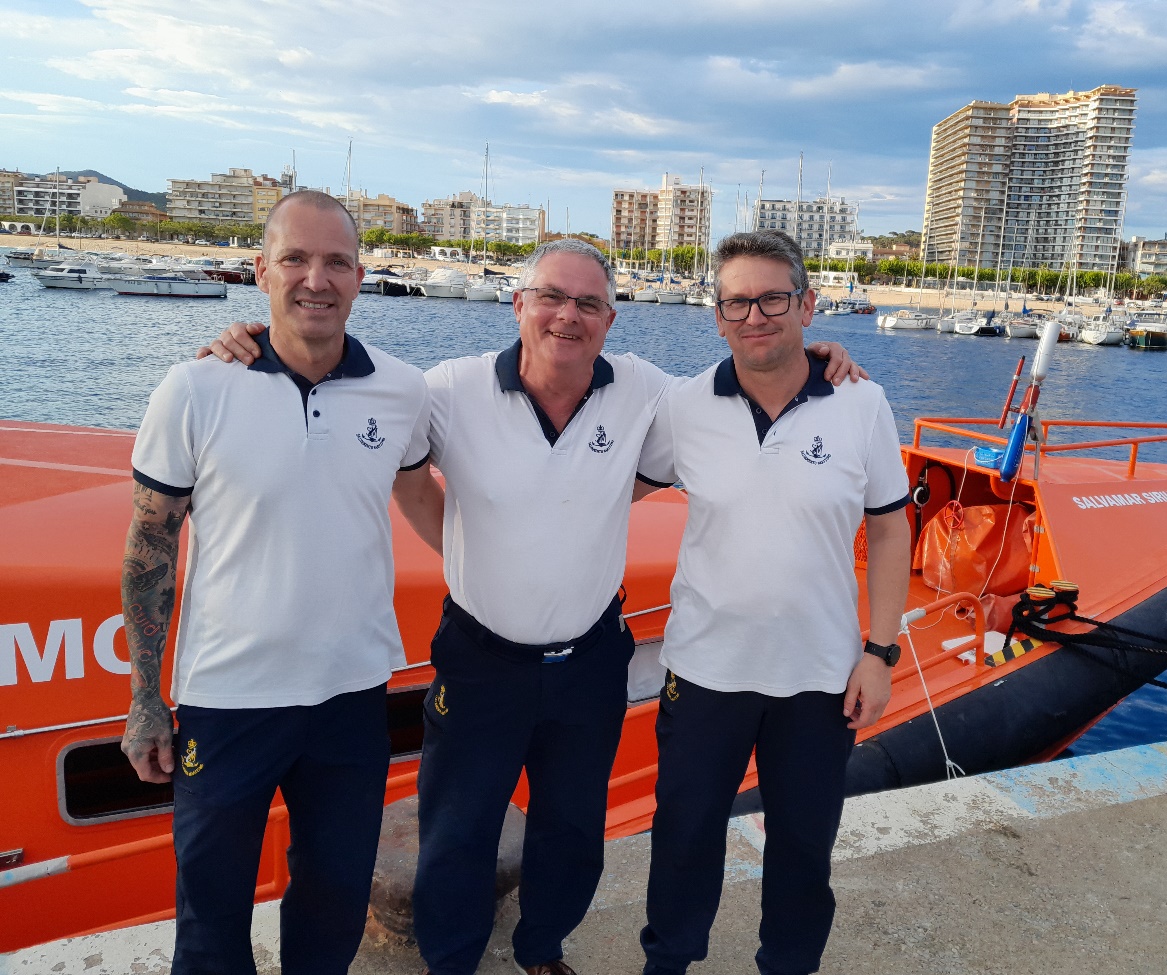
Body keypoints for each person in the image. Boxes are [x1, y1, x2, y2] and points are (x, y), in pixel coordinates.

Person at [200, 238, 864, 975]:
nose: (566, 316)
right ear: (519, 305)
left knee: (573, 827)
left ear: (610, 319)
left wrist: (818, 354)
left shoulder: (646, 391)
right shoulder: (450, 388)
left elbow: (749, 373)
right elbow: (397, 457)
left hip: (588, 656)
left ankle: (541, 948)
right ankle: (452, 961)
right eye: (550, 296)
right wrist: (259, 341)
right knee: (457, 828)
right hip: (482, 658)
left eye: (587, 303)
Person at [121, 190, 435, 975]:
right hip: (227, 701)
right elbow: (148, 546)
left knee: (332, 909)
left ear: (361, 277)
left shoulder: (401, 392)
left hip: (350, 698)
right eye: (295, 258)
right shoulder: (195, 389)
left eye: (335, 261)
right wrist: (144, 698)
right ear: (260, 270)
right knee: (210, 918)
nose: (315, 278)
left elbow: (439, 486)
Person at [635, 230, 912, 975]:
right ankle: (669, 962)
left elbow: (890, 530)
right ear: (717, 315)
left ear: (807, 306)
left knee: (802, 844)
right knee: (684, 835)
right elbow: (608, 480)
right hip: (702, 671)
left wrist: (879, 653)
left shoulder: (863, 403)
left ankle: (788, 965)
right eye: (736, 302)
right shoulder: (683, 406)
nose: (754, 315)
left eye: (772, 298)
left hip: (819, 677)